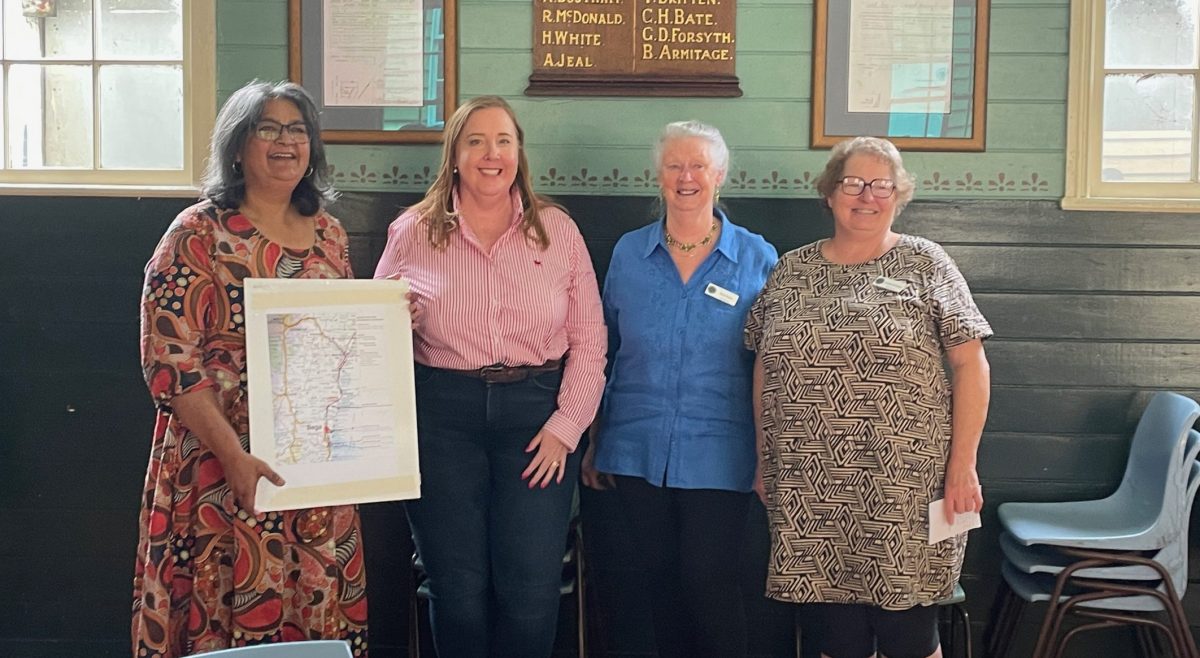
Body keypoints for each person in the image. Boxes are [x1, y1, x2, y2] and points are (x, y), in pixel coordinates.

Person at [132, 81, 368, 657]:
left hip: (313, 471)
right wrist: (233, 456)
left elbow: (341, 341)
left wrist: (385, 319)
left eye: (297, 129)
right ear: (238, 146)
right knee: (218, 608)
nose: (285, 141)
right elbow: (171, 364)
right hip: (219, 464)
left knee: (314, 604)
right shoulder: (196, 233)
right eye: (268, 128)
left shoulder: (331, 236)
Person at [373, 95, 606, 658]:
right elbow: (370, 337)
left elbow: (591, 342)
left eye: (503, 140)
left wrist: (567, 427)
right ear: (454, 154)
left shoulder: (556, 231)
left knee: (531, 587)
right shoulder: (411, 231)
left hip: (537, 419)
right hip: (441, 417)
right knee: (454, 586)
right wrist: (392, 321)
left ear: (519, 152)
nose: (491, 153)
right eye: (475, 141)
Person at [744, 136, 992, 658]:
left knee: (909, 634)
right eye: (853, 182)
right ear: (830, 194)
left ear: (898, 196)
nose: (866, 195)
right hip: (811, 484)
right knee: (836, 636)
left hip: (905, 484)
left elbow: (970, 364)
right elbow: (766, 365)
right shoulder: (792, 269)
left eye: (882, 184)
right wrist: (766, 459)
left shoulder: (927, 262)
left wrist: (963, 465)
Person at [581, 121, 778, 658]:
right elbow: (605, 348)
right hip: (635, 446)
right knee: (657, 583)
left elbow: (773, 366)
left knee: (708, 583)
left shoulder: (759, 258)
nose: (686, 176)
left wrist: (768, 456)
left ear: (720, 175)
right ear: (659, 175)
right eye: (674, 165)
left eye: (698, 166)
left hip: (723, 449)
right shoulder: (628, 254)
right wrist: (597, 440)